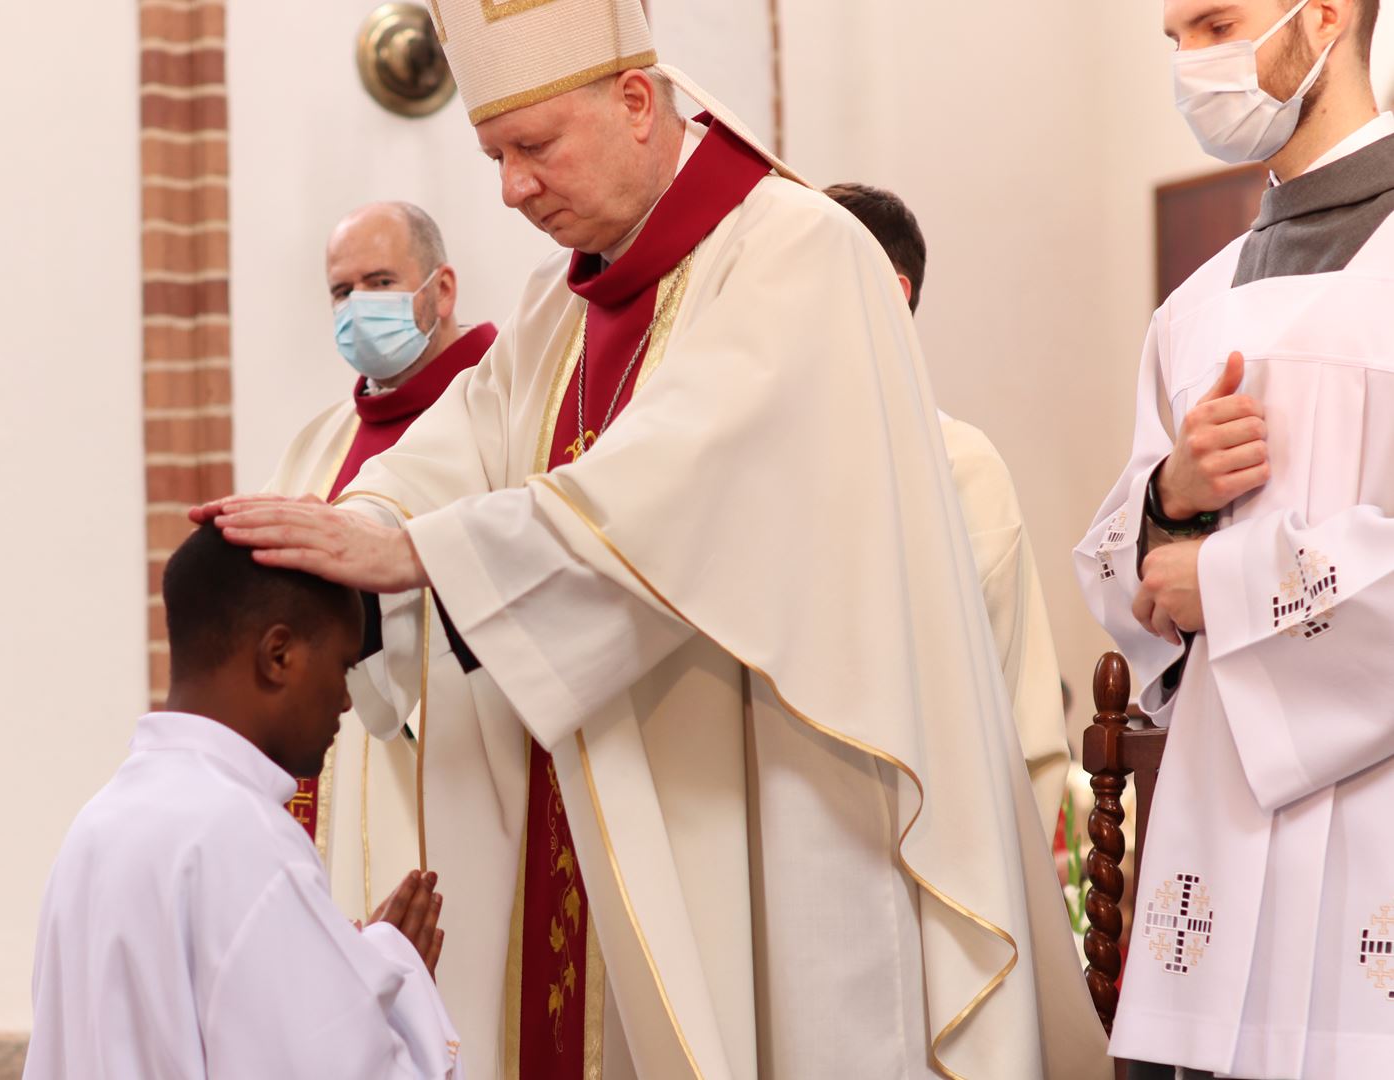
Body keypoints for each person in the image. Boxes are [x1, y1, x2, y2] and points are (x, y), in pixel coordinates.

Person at [198, 1, 1108, 1076]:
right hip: (601, 817)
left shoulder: (800, 253)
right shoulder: (557, 314)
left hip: (783, 806)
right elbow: (454, 449)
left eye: (533, 148)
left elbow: (689, 477)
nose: (511, 189)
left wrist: (425, 554)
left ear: (637, 102)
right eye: (492, 156)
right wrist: (357, 523)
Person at [1075, 1, 1392, 1077]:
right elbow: (1126, 584)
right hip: (1211, 824)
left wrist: (1225, 576)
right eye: (1174, 40)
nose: (1190, 65)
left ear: (1324, 16)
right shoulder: (1192, 309)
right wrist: (1170, 496)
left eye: (1214, 23)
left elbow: (1196, 588)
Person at [22, 523, 463, 1079]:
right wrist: (403, 980)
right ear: (277, 655)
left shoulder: (96, 826)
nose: (347, 700)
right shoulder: (245, 839)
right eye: (342, 666)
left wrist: (346, 966)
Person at [267, 201, 498, 923]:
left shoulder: (501, 409)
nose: (358, 306)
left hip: (462, 770)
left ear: (442, 289)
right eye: (342, 291)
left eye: (379, 281)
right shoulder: (320, 442)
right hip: (334, 773)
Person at [825, 180, 1072, 840]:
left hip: (928, 829)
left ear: (891, 290)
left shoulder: (959, 464)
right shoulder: (764, 456)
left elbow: (1010, 688)